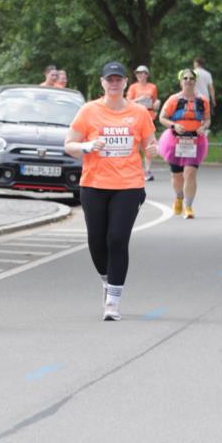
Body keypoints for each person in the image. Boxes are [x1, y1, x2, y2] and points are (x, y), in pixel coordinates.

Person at [65, 61, 157, 321]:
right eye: (110, 79)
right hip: (93, 184)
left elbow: (151, 143)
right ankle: (107, 280)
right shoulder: (88, 111)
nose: (114, 83)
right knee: (96, 241)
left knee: (117, 238)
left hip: (128, 185)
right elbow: (69, 144)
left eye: (119, 79)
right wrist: (88, 146)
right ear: (102, 83)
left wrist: (153, 150)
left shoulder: (139, 113)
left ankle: (113, 302)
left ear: (126, 83)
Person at [158, 68, 210, 219]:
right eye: (185, 78)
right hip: (175, 142)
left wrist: (204, 126)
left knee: (190, 173)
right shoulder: (173, 99)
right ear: (181, 82)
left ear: (195, 82)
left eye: (191, 78)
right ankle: (179, 197)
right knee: (177, 175)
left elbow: (207, 119)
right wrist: (174, 126)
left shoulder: (202, 100)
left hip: (195, 142)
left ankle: (188, 206)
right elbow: (162, 117)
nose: (188, 81)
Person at [126, 65, 160, 181]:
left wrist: (157, 104)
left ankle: (148, 170)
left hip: (149, 117)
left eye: (142, 73)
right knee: (137, 145)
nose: (140, 75)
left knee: (149, 144)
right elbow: (128, 102)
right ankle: (137, 169)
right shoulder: (133, 87)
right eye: (138, 73)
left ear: (147, 74)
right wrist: (140, 99)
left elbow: (155, 101)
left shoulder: (152, 87)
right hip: (136, 118)